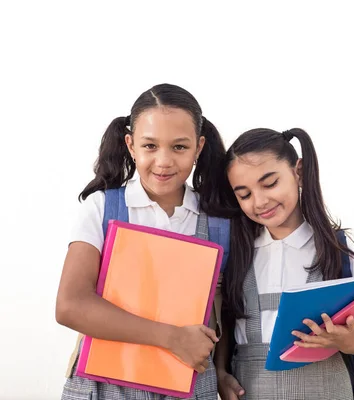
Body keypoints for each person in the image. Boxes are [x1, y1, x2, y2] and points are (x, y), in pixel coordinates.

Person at [56, 83, 229, 400]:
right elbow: (70, 306)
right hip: (106, 385)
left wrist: (221, 370)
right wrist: (172, 337)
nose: (164, 161)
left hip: (190, 384)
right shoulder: (103, 209)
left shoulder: (217, 222)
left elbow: (227, 311)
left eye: (179, 147)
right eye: (150, 146)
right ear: (130, 145)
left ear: (199, 147)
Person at [215, 128, 354, 400]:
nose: (259, 201)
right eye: (244, 194)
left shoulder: (345, 258)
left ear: (299, 172)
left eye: (270, 183)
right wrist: (221, 373)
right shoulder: (236, 257)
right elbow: (227, 324)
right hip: (251, 390)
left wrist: (349, 342)